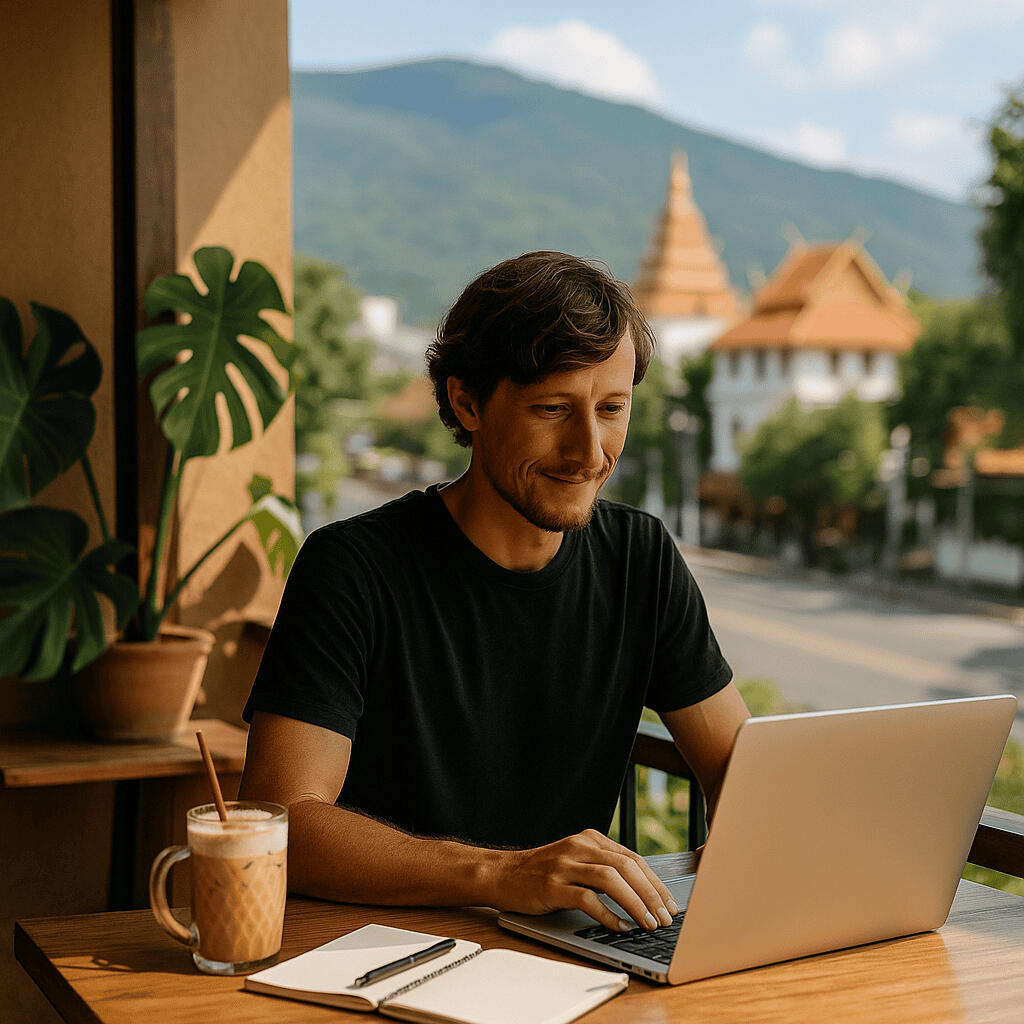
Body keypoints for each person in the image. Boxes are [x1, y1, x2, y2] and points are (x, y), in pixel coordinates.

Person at [239, 251, 749, 936]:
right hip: (374, 952)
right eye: (552, 409)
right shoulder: (352, 568)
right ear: (467, 403)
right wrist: (503, 875)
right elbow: (283, 821)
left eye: (611, 409)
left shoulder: (640, 557)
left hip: (568, 950)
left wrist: (744, 858)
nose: (589, 451)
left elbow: (744, 768)